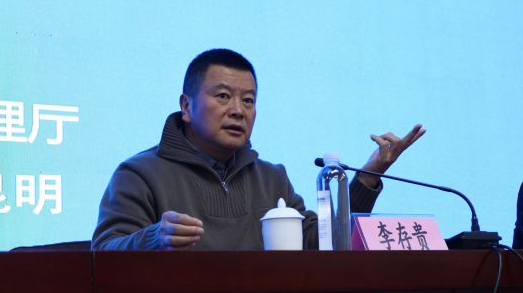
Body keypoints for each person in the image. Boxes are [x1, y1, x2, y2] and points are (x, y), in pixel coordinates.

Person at [92, 49, 425, 251]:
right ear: (187, 106)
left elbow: (321, 244)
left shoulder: (272, 178)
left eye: (249, 100)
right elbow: (102, 255)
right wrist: (154, 239)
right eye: (223, 96)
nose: (238, 110)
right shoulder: (140, 174)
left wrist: (369, 175)